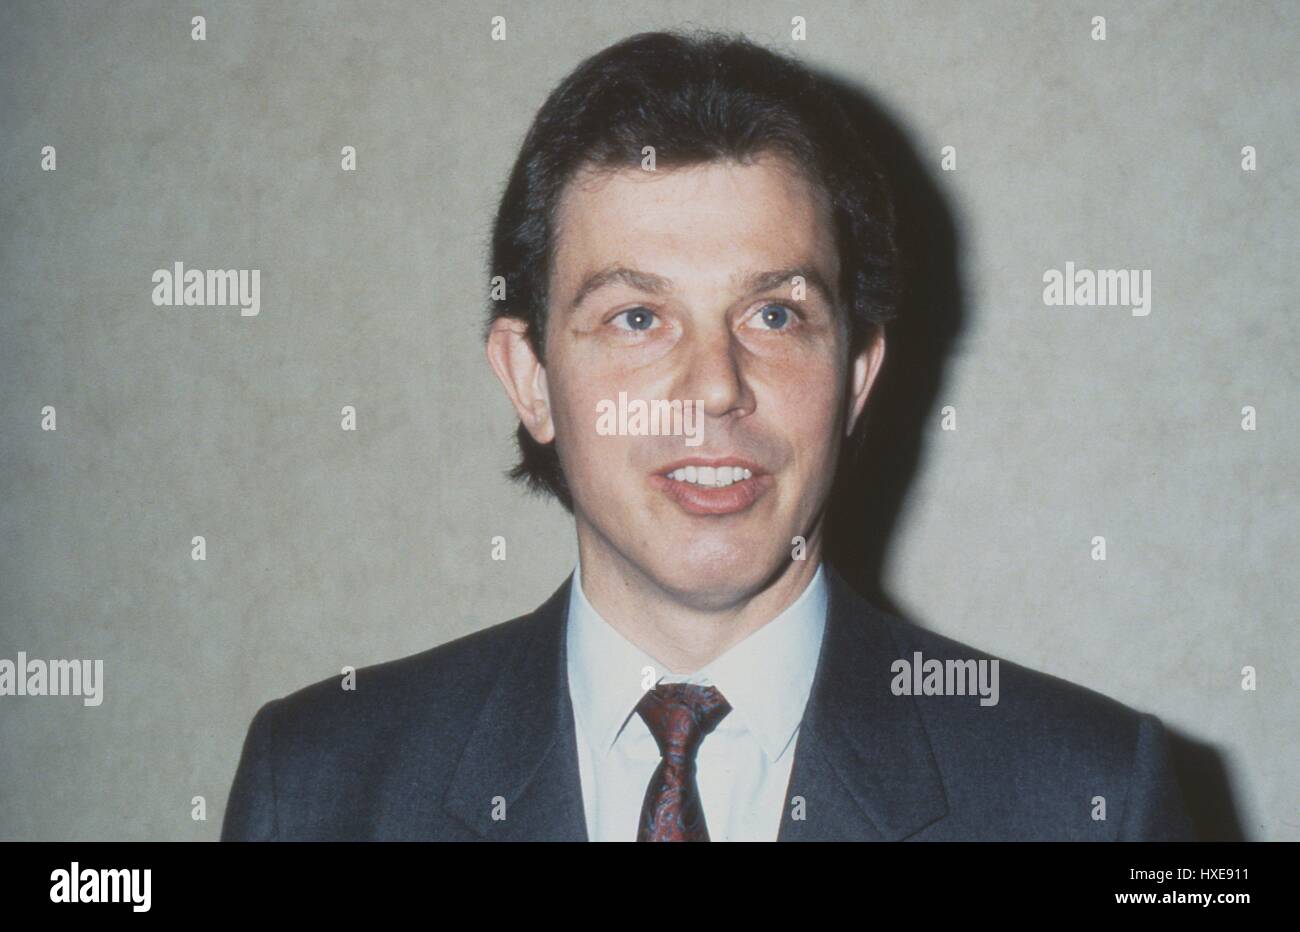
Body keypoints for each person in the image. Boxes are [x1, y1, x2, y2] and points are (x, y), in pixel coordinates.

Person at [221, 29, 1194, 842]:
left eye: (774, 315)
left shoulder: (1089, 798)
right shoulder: (316, 789)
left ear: (855, 377)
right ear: (530, 379)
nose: (715, 388)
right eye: (636, 318)